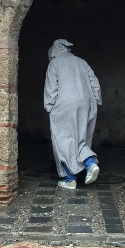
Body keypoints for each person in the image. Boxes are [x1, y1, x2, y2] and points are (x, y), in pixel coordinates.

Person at [44, 39, 102, 189]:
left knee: (63, 141)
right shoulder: (82, 62)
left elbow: (51, 87)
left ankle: (70, 179)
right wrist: (96, 100)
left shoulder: (54, 63)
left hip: (64, 106)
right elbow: (94, 82)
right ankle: (90, 163)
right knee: (81, 139)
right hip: (86, 103)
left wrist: (49, 106)